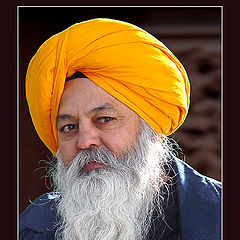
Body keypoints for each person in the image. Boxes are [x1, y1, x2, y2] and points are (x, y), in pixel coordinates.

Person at [19, 18, 221, 240]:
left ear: (152, 130)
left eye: (104, 119)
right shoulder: (30, 229)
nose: (85, 141)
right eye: (69, 127)